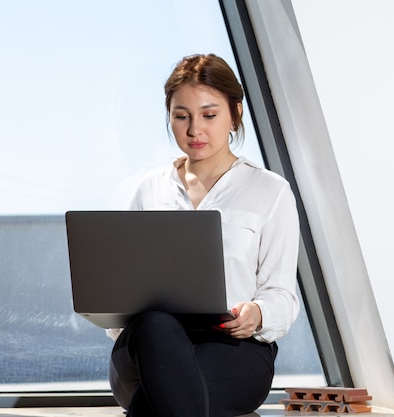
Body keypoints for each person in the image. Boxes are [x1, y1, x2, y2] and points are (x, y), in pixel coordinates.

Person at [108, 53, 300, 417]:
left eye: (209, 115)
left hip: (232, 346)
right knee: (155, 323)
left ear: (236, 114)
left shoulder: (270, 192)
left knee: (162, 399)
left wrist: (257, 313)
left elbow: (282, 294)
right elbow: (121, 289)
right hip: (148, 346)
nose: (194, 129)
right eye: (182, 116)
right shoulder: (147, 191)